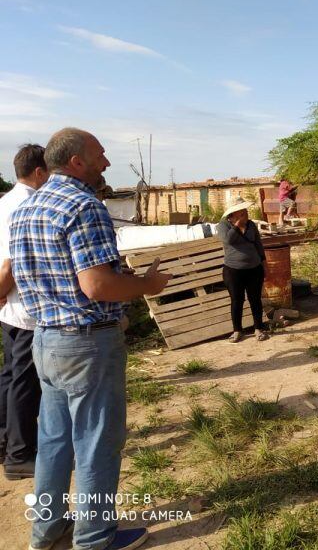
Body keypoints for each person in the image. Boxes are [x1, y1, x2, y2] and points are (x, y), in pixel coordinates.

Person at [10, 128, 170, 550]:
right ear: (77, 161)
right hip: (86, 344)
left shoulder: (26, 210)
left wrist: (122, 281)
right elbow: (96, 286)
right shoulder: (84, 206)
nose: (107, 163)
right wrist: (148, 286)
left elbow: (55, 277)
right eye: (100, 154)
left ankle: (47, 532)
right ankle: (96, 539)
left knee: (53, 442)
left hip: (44, 340)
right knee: (98, 442)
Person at [0, 144, 49, 481]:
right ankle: (19, 454)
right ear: (38, 172)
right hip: (24, 307)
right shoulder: (28, 204)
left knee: (9, 376)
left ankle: (5, 441)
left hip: (10, 309)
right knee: (25, 382)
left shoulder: (5, 201)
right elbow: (12, 263)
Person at [217, 197, 270, 343]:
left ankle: (258, 328)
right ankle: (237, 331)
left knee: (255, 299)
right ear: (233, 214)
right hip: (233, 270)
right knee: (236, 300)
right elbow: (228, 240)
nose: (246, 213)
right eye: (242, 211)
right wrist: (237, 225)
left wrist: (264, 264)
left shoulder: (251, 225)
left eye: (245, 211)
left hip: (254, 268)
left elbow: (258, 244)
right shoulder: (223, 226)